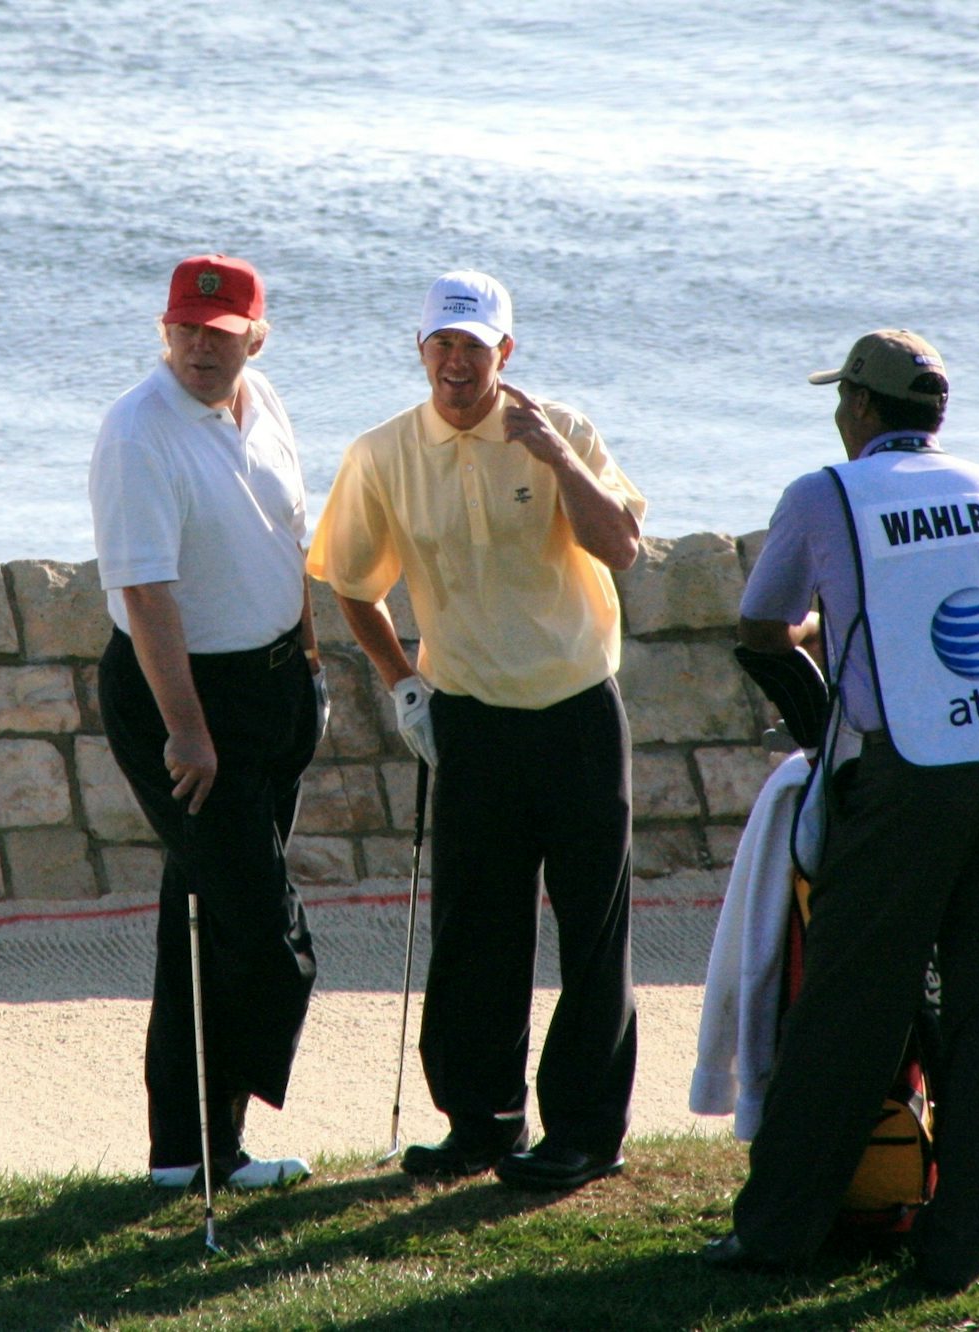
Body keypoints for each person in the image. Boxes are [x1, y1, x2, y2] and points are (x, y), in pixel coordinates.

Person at [701, 329, 979, 1290]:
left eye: (843, 403)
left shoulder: (825, 493)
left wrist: (822, 695)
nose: (838, 417)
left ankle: (781, 1229)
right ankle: (960, 1243)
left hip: (911, 778)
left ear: (862, 409)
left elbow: (762, 624)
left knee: (848, 1008)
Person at [307, 269, 646, 1190]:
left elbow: (622, 549)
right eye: (442, 345)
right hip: (470, 719)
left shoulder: (560, 429)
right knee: (475, 931)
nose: (457, 363)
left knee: (592, 929)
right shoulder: (382, 454)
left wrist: (554, 454)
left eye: (475, 346)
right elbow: (350, 579)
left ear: (506, 351)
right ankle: (482, 1124)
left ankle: (584, 1131)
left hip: (577, 707)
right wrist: (404, 685)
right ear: (419, 351)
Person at [89, 253, 327, 1190]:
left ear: (252, 339)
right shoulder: (138, 434)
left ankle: (191, 1155)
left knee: (198, 913)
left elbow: (290, 539)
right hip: (179, 696)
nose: (201, 346)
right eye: (186, 328)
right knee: (260, 934)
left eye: (221, 334)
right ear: (165, 330)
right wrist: (187, 733)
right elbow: (144, 595)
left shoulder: (262, 400)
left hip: (273, 688)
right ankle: (213, 1139)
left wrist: (308, 660)